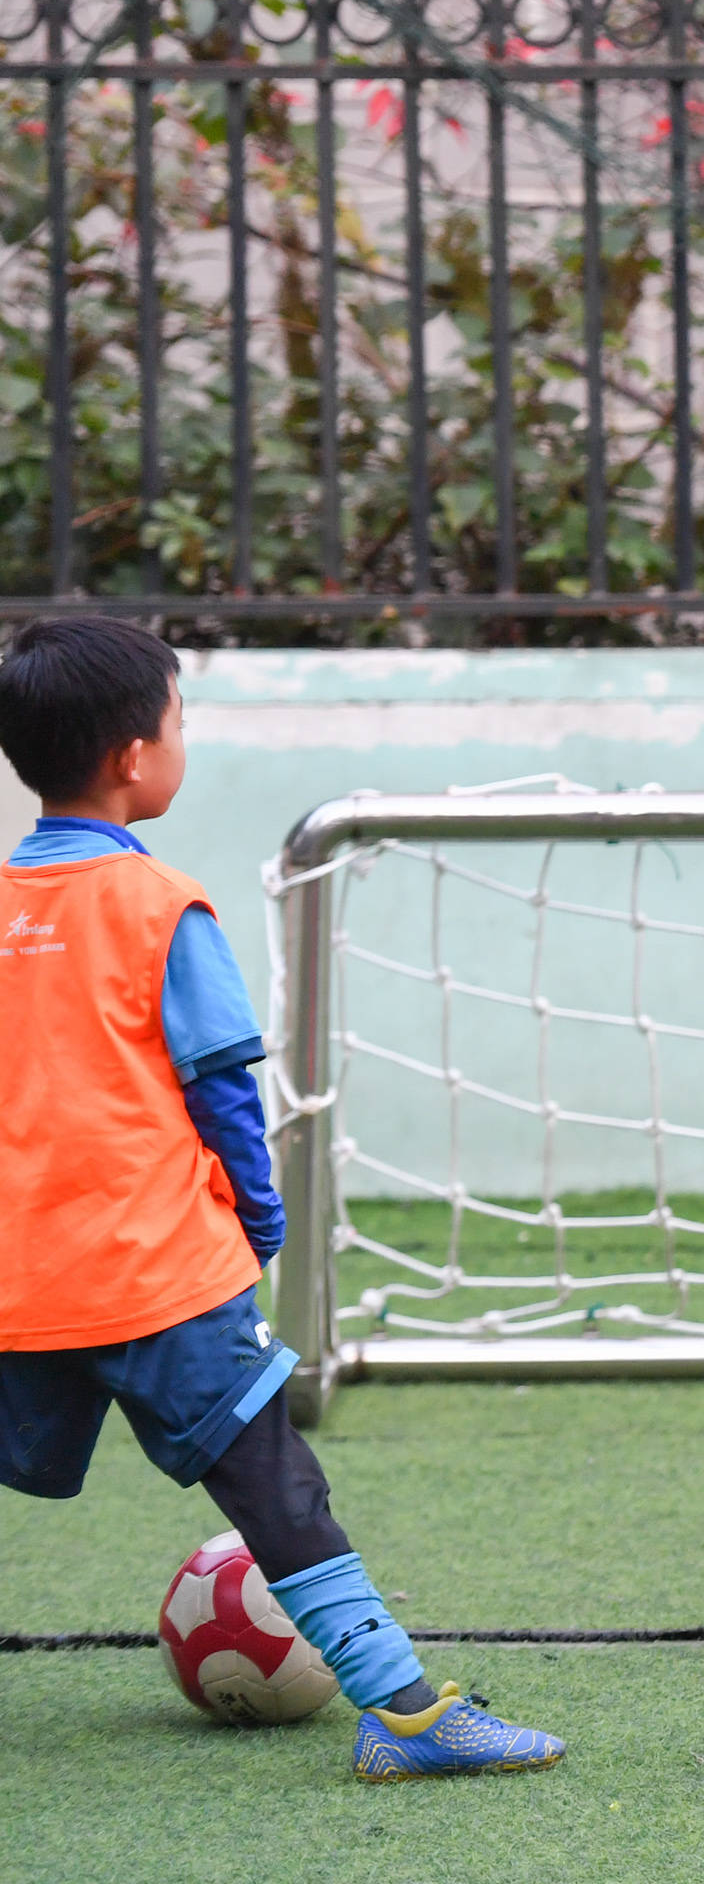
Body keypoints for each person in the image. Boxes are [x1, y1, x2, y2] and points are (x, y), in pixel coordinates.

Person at [0, 621, 566, 1782]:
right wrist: (257, 1224)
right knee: (277, 1485)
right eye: (180, 720)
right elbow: (223, 1093)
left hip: (16, 1274)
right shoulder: (162, 905)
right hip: (162, 1271)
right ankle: (406, 1716)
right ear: (131, 756)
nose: (181, 740)